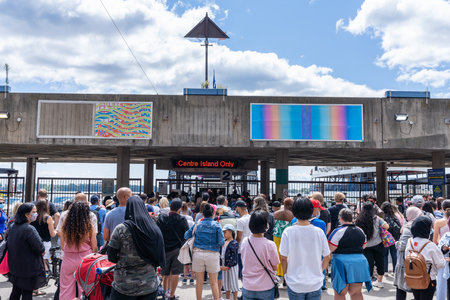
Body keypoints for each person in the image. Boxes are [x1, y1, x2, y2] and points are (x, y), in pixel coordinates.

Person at [107, 196, 165, 299]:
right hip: (149, 284)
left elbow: (111, 256)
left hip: (124, 285)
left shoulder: (121, 229)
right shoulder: (154, 227)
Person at [280, 198, 331, 300]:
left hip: (294, 282)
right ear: (312, 211)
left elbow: (283, 258)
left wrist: (286, 274)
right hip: (315, 283)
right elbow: (327, 256)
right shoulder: (319, 232)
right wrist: (319, 271)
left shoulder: (288, 231)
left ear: (294, 212)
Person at [328, 208, 372, 299]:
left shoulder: (337, 231)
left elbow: (330, 248)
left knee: (340, 292)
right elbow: (364, 246)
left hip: (341, 263)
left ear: (340, 218)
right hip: (359, 262)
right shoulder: (360, 231)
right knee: (356, 292)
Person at [184, 203, 224, 300]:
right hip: (213, 254)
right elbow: (221, 242)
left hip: (198, 254)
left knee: (199, 282)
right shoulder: (217, 225)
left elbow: (186, 235)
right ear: (213, 213)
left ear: (203, 214)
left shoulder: (197, 224)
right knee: (214, 282)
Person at [59, 201, 98, 299]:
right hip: (85, 259)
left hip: (68, 258)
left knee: (65, 288)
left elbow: (62, 246)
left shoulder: (65, 227)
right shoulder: (89, 226)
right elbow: (94, 247)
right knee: (85, 289)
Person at [7, 203, 46, 300]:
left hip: (14, 266)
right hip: (28, 268)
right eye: (34, 212)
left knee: (15, 292)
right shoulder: (29, 229)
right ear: (26, 214)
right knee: (27, 293)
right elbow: (40, 248)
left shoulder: (13, 226)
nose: (36, 214)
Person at [241, 210, 280, 300]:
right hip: (265, 286)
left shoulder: (245, 241)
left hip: (247, 285)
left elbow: (244, 261)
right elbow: (275, 267)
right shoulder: (270, 244)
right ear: (266, 226)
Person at [405, 216, 445, 300]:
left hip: (413, 277)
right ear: (426, 229)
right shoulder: (430, 245)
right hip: (428, 279)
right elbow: (440, 264)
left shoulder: (410, 241)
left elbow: (406, 257)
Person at [157, 198, 189, 300]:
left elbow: (157, 232)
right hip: (177, 249)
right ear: (180, 208)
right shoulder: (182, 219)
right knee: (175, 273)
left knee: (164, 273)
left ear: (170, 206)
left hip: (164, 249)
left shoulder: (162, 218)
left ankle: (164, 293)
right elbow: (187, 234)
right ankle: (171, 295)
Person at [355, 202, 388, 288]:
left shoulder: (359, 220)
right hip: (378, 244)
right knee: (380, 262)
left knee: (368, 264)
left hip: (366, 245)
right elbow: (386, 226)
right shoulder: (377, 218)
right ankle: (380, 282)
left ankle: (368, 282)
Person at [393, 206, 423, 300]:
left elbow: (402, 246)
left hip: (405, 261)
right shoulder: (421, 225)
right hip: (418, 259)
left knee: (401, 287)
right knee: (416, 287)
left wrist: (396, 243)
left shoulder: (407, 228)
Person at [30, 200, 56, 274]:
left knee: (35, 259)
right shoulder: (48, 218)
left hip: (34, 241)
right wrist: (56, 231)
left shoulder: (33, 217)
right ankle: (45, 275)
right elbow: (52, 234)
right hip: (45, 242)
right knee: (44, 261)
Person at [273, 197, 294, 280]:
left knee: (278, 254)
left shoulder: (277, 213)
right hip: (288, 236)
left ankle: (278, 272)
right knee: (287, 255)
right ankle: (286, 274)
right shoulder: (292, 214)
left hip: (277, 235)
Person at [380, 202, 401, 274]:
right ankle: (395, 270)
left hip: (386, 237)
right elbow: (399, 226)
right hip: (394, 237)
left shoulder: (383, 217)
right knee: (394, 254)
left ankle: (385, 270)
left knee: (385, 254)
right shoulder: (394, 216)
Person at [221, 224, 239, 300]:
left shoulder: (234, 243)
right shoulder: (224, 242)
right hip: (224, 266)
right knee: (226, 284)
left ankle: (235, 298)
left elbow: (234, 256)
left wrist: (228, 266)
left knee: (234, 283)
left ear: (231, 232)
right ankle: (227, 298)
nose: (224, 234)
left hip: (232, 266)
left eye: (225, 232)